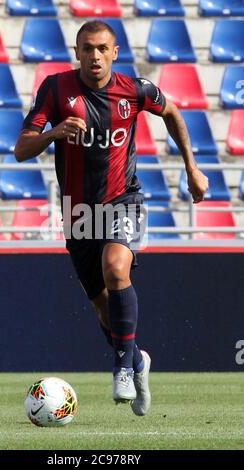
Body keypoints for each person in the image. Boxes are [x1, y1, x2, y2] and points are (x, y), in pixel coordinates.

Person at [15, 20, 209, 416]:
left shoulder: (135, 89)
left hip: (123, 199)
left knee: (116, 268)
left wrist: (192, 167)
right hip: (79, 212)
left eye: (102, 48)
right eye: (87, 48)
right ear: (77, 52)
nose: (95, 55)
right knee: (104, 308)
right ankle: (137, 360)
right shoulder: (55, 89)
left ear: (115, 52)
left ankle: (122, 367)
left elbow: (171, 111)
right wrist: (54, 134)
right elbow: (21, 149)